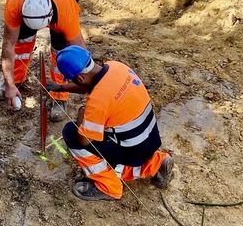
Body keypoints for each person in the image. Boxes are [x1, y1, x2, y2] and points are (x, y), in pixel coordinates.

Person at [51, 46, 175, 201]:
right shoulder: (117, 67)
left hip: (133, 152)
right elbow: (89, 85)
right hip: (151, 140)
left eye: (72, 80)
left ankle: (109, 186)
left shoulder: (97, 103)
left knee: (71, 133)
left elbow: (84, 140)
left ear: (80, 78)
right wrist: (61, 88)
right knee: (115, 129)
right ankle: (158, 162)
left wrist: (82, 113)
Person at [0, 0, 85, 121]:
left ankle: (60, 97)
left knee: (63, 50)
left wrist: (88, 83)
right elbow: (7, 47)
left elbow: (80, 50)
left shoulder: (66, 12)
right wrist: (9, 83)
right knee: (21, 42)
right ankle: (15, 84)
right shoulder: (14, 6)